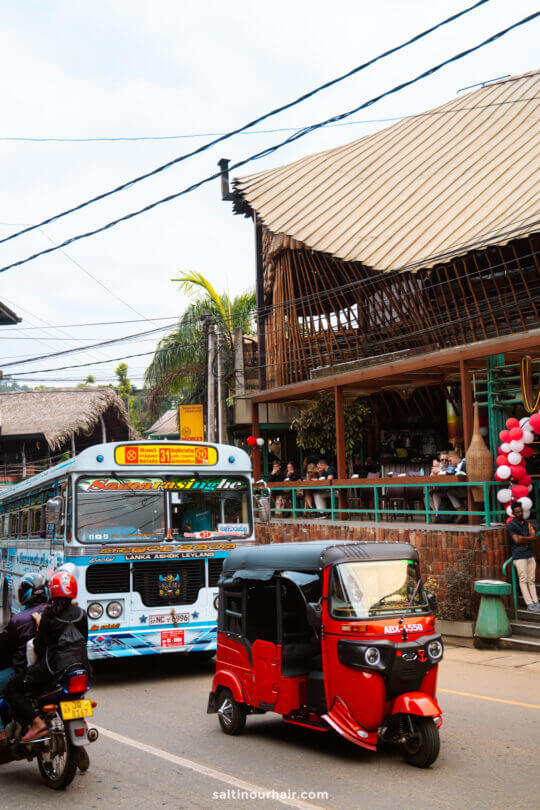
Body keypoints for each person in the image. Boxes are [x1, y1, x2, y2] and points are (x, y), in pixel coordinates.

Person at [6, 570, 89, 742]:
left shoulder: (49, 615)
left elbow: (39, 645)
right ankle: (81, 722)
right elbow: (84, 640)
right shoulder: (81, 613)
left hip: (53, 669)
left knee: (11, 689)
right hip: (82, 667)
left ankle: (37, 724)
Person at [0, 574, 48, 756]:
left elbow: (3, 651)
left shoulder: (18, 620)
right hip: (58, 668)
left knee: (8, 686)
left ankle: (2, 736)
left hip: (29, 671)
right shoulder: (59, 612)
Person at [507, 502, 539, 612]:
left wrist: (523, 538)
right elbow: (517, 540)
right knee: (523, 579)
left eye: (521, 511)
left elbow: (534, 537)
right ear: (513, 513)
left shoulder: (526, 523)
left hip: (529, 554)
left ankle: (536, 602)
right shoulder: (511, 525)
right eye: (517, 512)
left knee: (531, 580)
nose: (520, 513)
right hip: (519, 556)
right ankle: (529, 604)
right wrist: (527, 537)